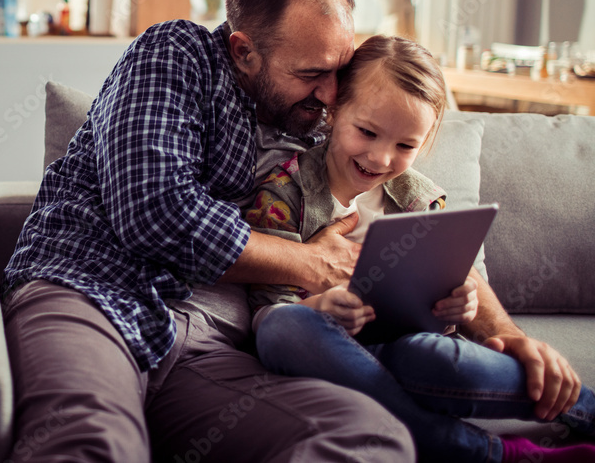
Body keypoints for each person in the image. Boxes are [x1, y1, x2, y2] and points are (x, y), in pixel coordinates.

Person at [1, 0, 416, 462]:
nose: (331, 94)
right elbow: (154, 211)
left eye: (339, 70)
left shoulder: (326, 124)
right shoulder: (178, 53)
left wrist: (505, 335)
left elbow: (422, 213)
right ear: (244, 52)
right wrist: (309, 261)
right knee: (92, 446)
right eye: (311, 73)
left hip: (205, 349)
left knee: (368, 438)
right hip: (92, 294)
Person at [248, 35, 595, 463]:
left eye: (405, 146)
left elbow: (445, 308)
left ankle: (586, 410)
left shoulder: (424, 201)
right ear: (335, 110)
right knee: (282, 328)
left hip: (405, 349)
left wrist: (459, 307)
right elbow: (266, 306)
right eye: (367, 132)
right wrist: (318, 306)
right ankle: (491, 452)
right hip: (324, 350)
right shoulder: (284, 192)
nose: (380, 157)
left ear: (425, 141)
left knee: (433, 356)